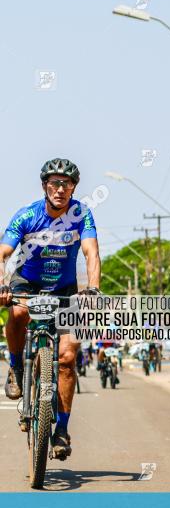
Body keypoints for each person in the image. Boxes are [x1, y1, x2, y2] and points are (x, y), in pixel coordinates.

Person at [0, 159, 101, 460]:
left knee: (68, 359)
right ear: (44, 186)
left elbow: (91, 252)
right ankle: (17, 368)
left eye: (67, 184)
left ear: (74, 188)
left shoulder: (81, 214)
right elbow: (2, 253)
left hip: (65, 289)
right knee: (17, 314)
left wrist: (93, 289)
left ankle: (62, 430)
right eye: (54, 183)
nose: (60, 189)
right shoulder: (27, 216)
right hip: (26, 285)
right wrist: (2, 286)